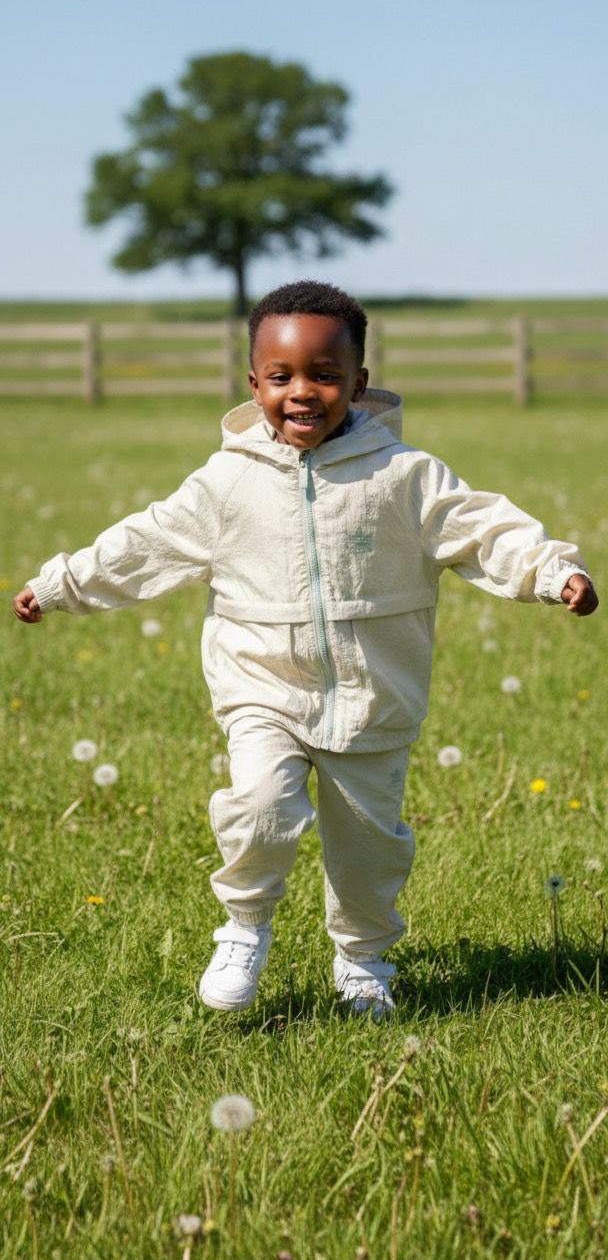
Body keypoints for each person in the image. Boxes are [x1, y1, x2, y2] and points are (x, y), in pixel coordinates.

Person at [13, 281, 599, 1020]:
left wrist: (551, 571)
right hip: (263, 689)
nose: (302, 392)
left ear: (359, 380)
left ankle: (363, 960)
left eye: (324, 374)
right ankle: (244, 926)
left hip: (374, 699)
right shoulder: (228, 482)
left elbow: (483, 529)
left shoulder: (404, 476)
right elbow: (148, 541)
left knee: (368, 853)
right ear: (253, 383)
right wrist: (61, 584)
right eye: (281, 376)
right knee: (259, 809)